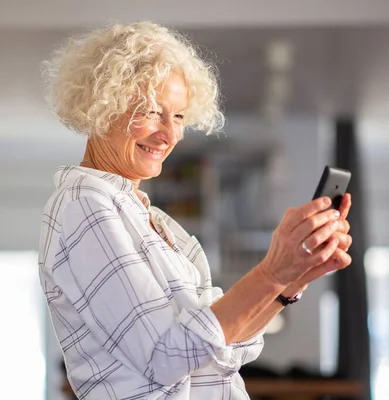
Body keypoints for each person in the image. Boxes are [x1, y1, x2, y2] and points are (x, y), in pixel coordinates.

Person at [38, 21, 353, 400]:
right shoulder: (84, 205)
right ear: (101, 106)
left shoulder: (157, 223)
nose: (169, 135)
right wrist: (271, 273)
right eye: (152, 111)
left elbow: (226, 347)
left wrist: (290, 281)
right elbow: (166, 356)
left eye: (179, 117)